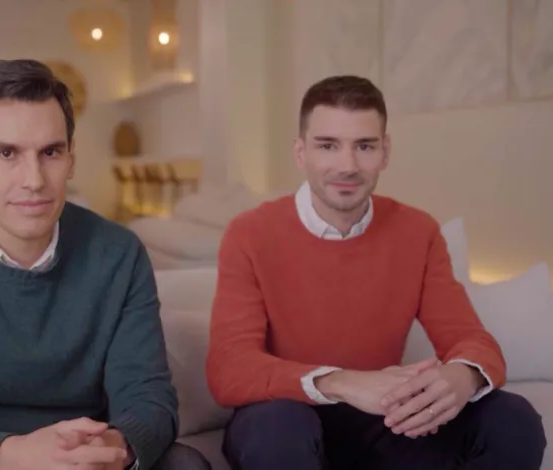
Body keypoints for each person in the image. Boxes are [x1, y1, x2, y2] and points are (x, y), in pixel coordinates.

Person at [0, 59, 211, 470]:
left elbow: (149, 400)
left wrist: (107, 447)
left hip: (86, 458)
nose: (34, 179)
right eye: (7, 153)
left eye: (50, 152)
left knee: (186, 464)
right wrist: (18, 455)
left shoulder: (119, 255)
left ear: (70, 159)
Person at [205, 75, 546, 469]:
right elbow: (229, 368)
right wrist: (341, 382)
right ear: (301, 153)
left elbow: (472, 340)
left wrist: (463, 376)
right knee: (278, 428)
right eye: (328, 145)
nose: (347, 166)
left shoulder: (418, 232)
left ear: (385, 151)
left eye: (364, 146)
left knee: (513, 419)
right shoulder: (249, 233)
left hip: (384, 420)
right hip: (283, 421)